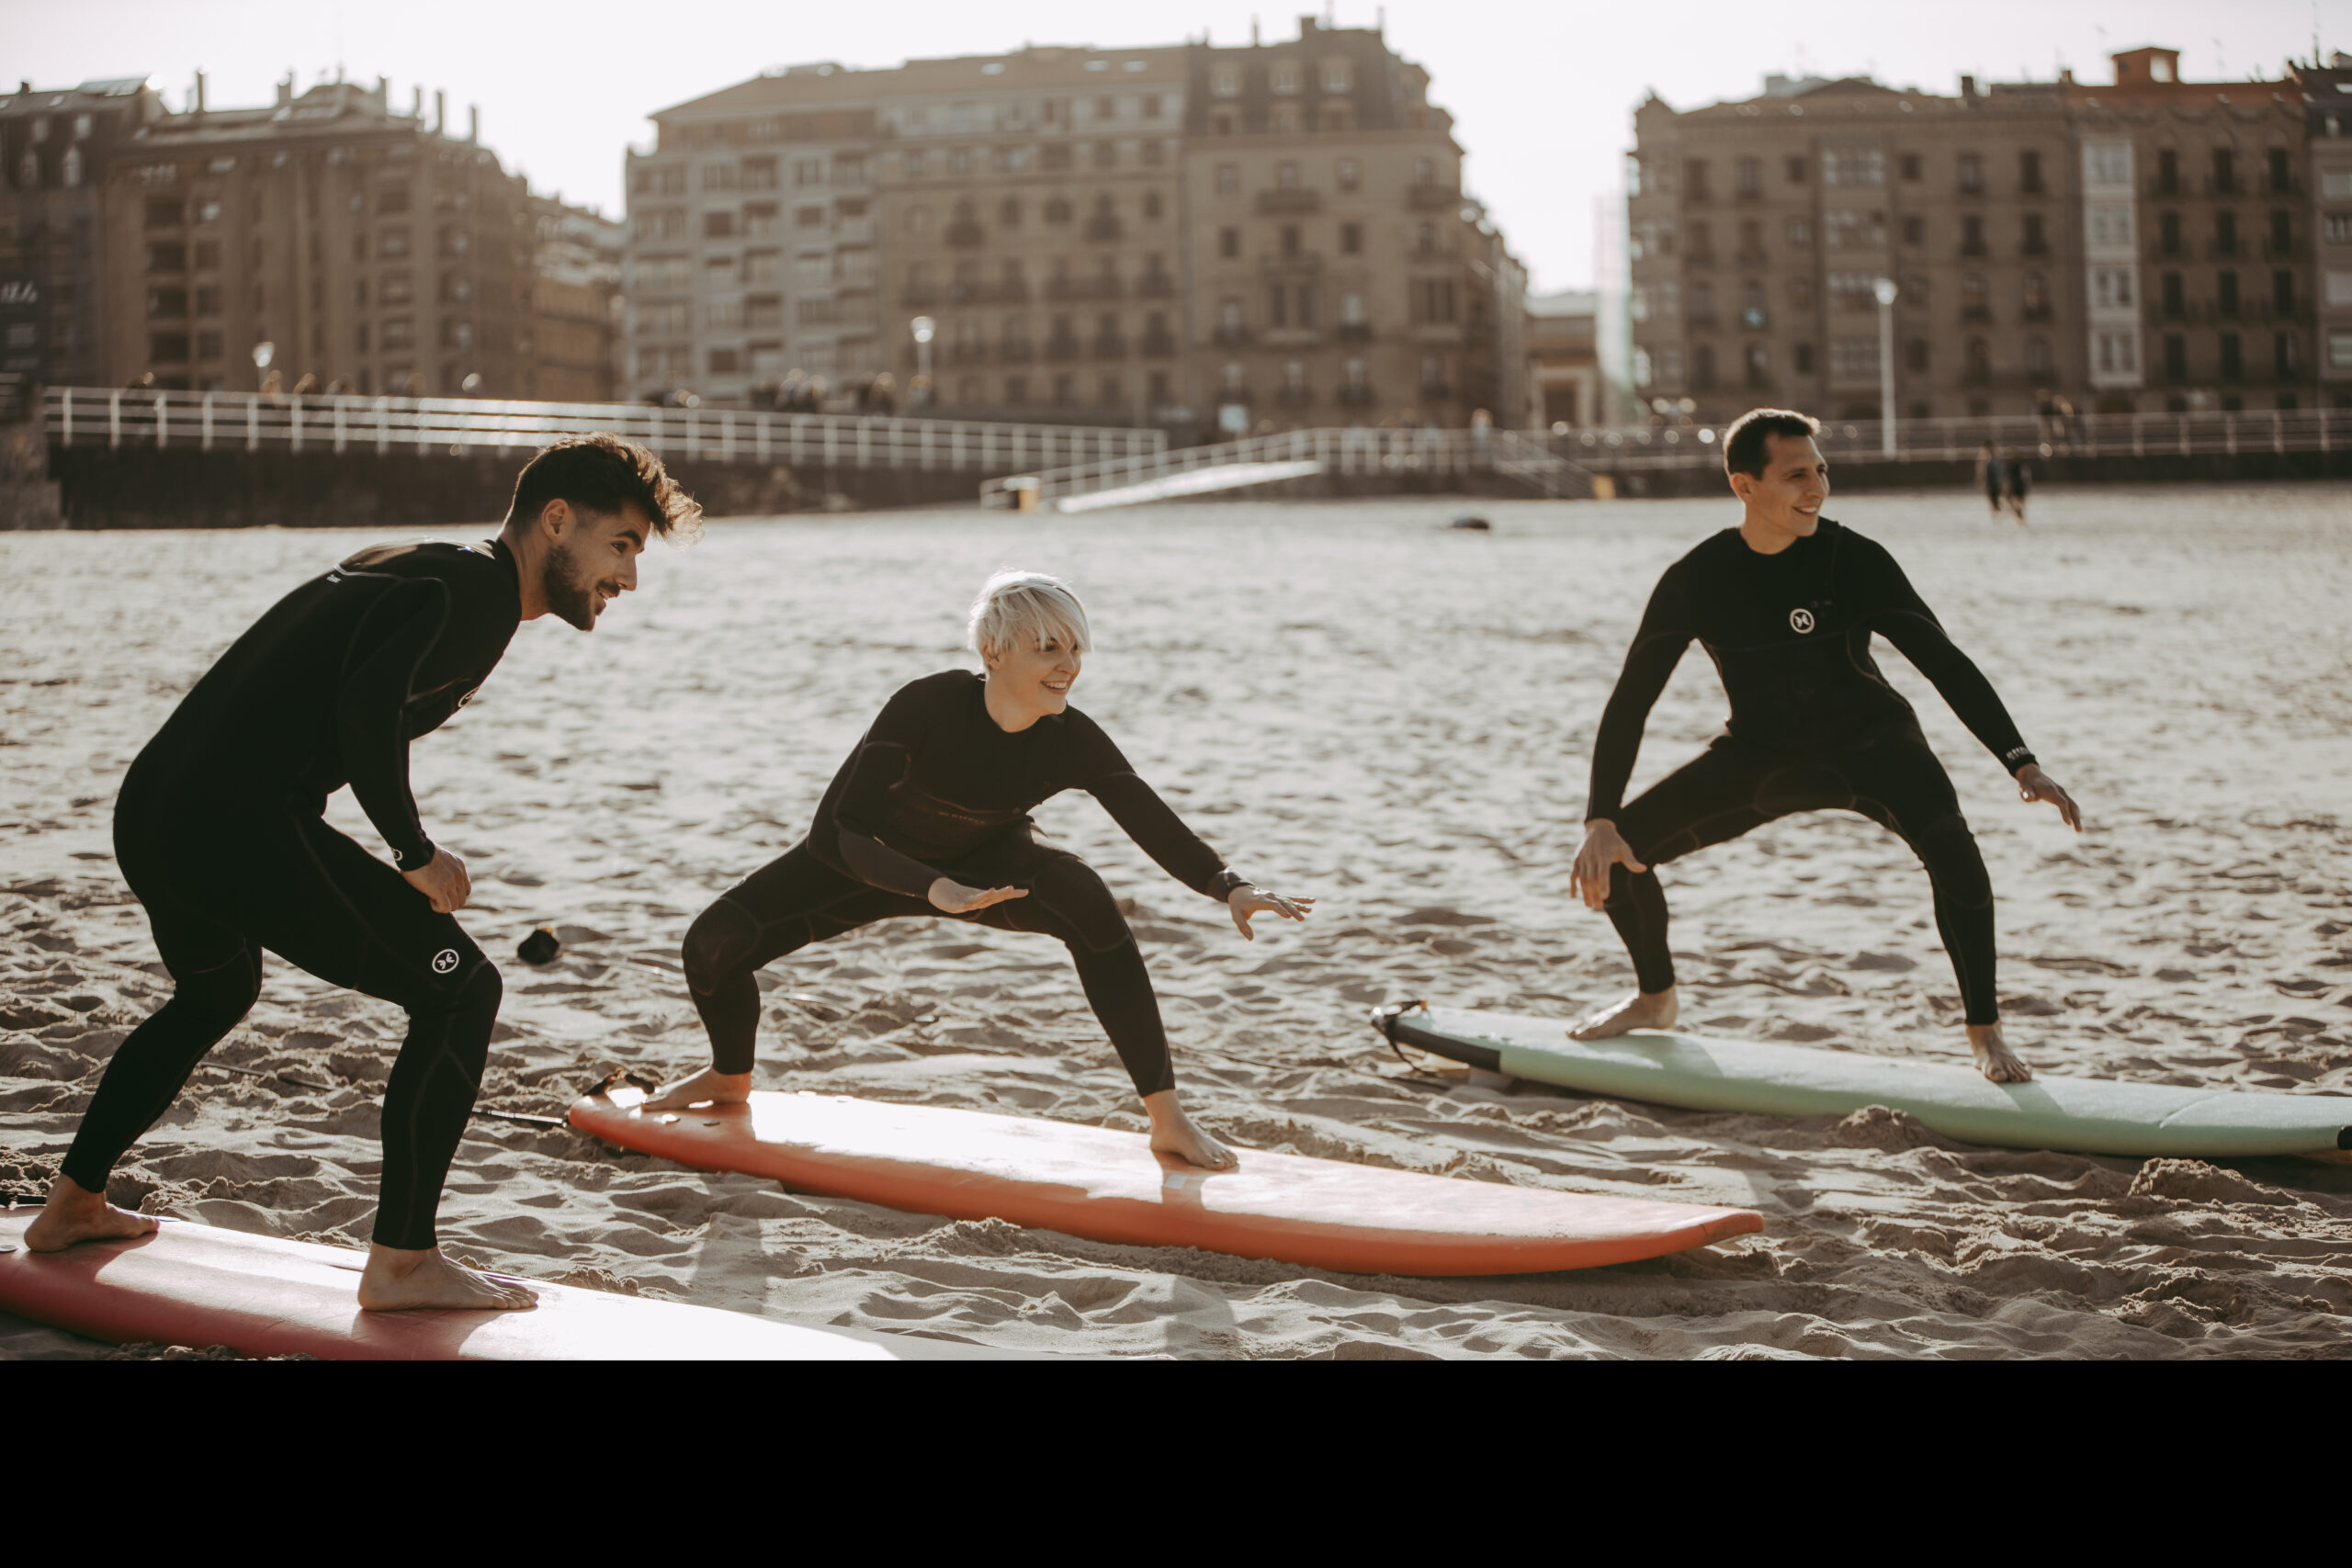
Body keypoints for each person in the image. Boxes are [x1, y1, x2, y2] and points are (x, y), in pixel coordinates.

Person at [22, 434, 701, 1311]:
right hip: (232, 820)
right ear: (557, 521)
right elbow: (364, 710)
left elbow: (331, 689)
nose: (629, 581)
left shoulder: (430, 566)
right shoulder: (481, 594)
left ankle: (72, 1202)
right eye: (622, 547)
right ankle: (404, 1260)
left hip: (156, 808)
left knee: (214, 992)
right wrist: (414, 852)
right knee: (462, 991)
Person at [645, 570, 1312, 1169]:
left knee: (1085, 896)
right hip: (868, 864)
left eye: (1075, 648)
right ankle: (729, 1077)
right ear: (994, 652)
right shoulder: (927, 706)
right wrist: (931, 885)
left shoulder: (1069, 735)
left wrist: (1229, 885)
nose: (1068, 666)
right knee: (712, 943)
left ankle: (1166, 1119)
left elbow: (1148, 816)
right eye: (1048, 648)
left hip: (987, 865)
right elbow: (834, 832)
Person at [1567, 408, 2082, 1083]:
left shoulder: (1852, 559)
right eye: (1797, 475)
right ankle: (1655, 997)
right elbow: (1631, 699)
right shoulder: (1698, 577)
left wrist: (2022, 760)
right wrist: (1600, 816)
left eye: (1821, 471)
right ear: (1744, 485)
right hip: (1759, 754)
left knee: (1955, 851)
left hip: (1874, 745)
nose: (1818, 487)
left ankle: (1984, 1032)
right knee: (1619, 854)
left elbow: (1943, 660)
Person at [1974, 443, 2007, 519]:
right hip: (1991, 481)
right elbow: (1981, 471)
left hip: (1995, 481)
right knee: (1993, 498)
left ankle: (1997, 511)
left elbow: (2000, 471)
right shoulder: (1984, 458)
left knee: (1996, 497)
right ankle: (1995, 511)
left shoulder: (1995, 459)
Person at [2003, 451, 2031, 525]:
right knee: (2014, 502)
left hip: (2017, 486)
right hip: (2016, 487)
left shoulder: (2018, 465)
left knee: (2016, 502)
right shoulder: (2014, 465)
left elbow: (2025, 477)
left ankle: (2019, 514)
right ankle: (2019, 514)